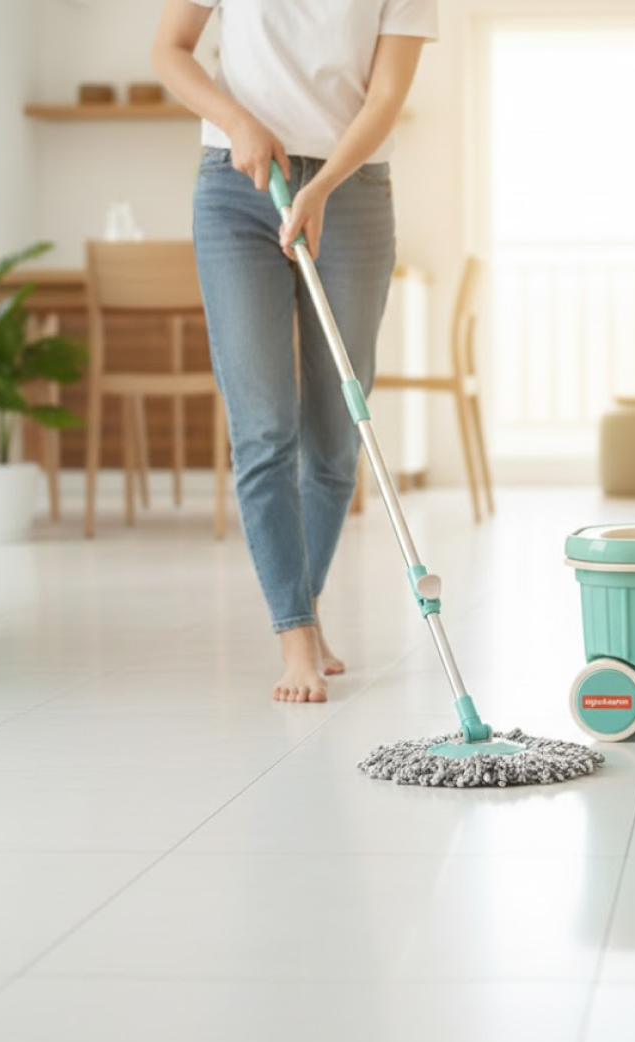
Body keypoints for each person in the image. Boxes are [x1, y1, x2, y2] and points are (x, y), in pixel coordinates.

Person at [152, 0, 437, 703]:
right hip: (237, 185)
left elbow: (387, 94)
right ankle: (297, 637)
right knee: (264, 429)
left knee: (336, 439)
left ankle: (300, 607)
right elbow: (170, 50)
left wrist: (323, 185)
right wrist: (239, 122)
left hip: (354, 189)